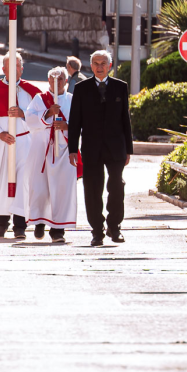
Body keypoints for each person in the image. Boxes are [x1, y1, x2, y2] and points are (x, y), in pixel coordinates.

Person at [68, 50, 133, 246]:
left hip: (116, 148)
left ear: (110, 65)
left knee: (116, 187)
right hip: (91, 147)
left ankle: (115, 226)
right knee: (92, 189)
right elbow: (75, 121)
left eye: (103, 63)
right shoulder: (81, 88)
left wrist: (128, 149)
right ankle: (97, 230)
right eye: (95, 63)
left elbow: (125, 119)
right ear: (91, 66)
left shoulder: (120, 87)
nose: (99, 66)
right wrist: (73, 149)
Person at [0, 52, 42, 239]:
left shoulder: (32, 91)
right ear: (3, 69)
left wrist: (24, 114)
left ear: (22, 68)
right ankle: (2, 224)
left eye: (18, 66)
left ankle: (20, 225)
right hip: (3, 143)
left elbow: (42, 117)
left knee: (24, 184)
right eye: (9, 67)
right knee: (1, 183)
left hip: (25, 143)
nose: (14, 70)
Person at [26, 67, 80, 243]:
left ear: (66, 81)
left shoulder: (73, 100)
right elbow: (29, 120)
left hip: (64, 150)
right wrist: (48, 113)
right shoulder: (39, 99)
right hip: (41, 149)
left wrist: (67, 126)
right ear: (48, 80)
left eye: (61, 79)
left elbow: (82, 123)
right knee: (40, 188)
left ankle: (58, 230)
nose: (57, 82)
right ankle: (40, 221)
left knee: (62, 189)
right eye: (53, 79)